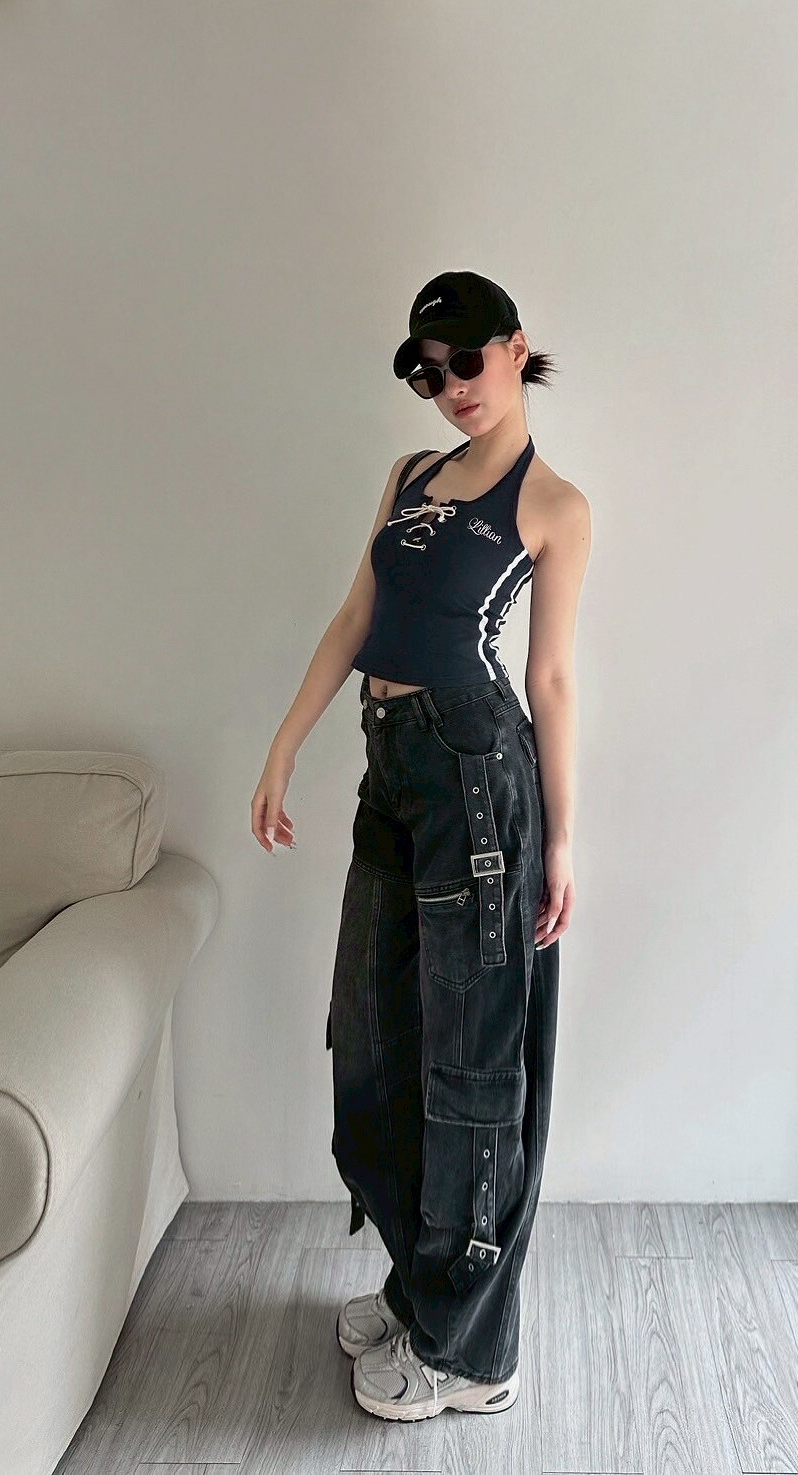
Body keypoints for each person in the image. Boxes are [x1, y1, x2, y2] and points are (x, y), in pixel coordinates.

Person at [250, 270, 591, 1422]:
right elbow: (358, 616)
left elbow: (550, 677)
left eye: (467, 362)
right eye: (428, 374)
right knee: (374, 1040)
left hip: (477, 777)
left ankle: (471, 1351)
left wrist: (561, 841)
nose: (451, 389)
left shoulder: (554, 505)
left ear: (515, 349)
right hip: (391, 763)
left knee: (471, 1064)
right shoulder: (408, 476)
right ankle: (420, 1285)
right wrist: (285, 745)